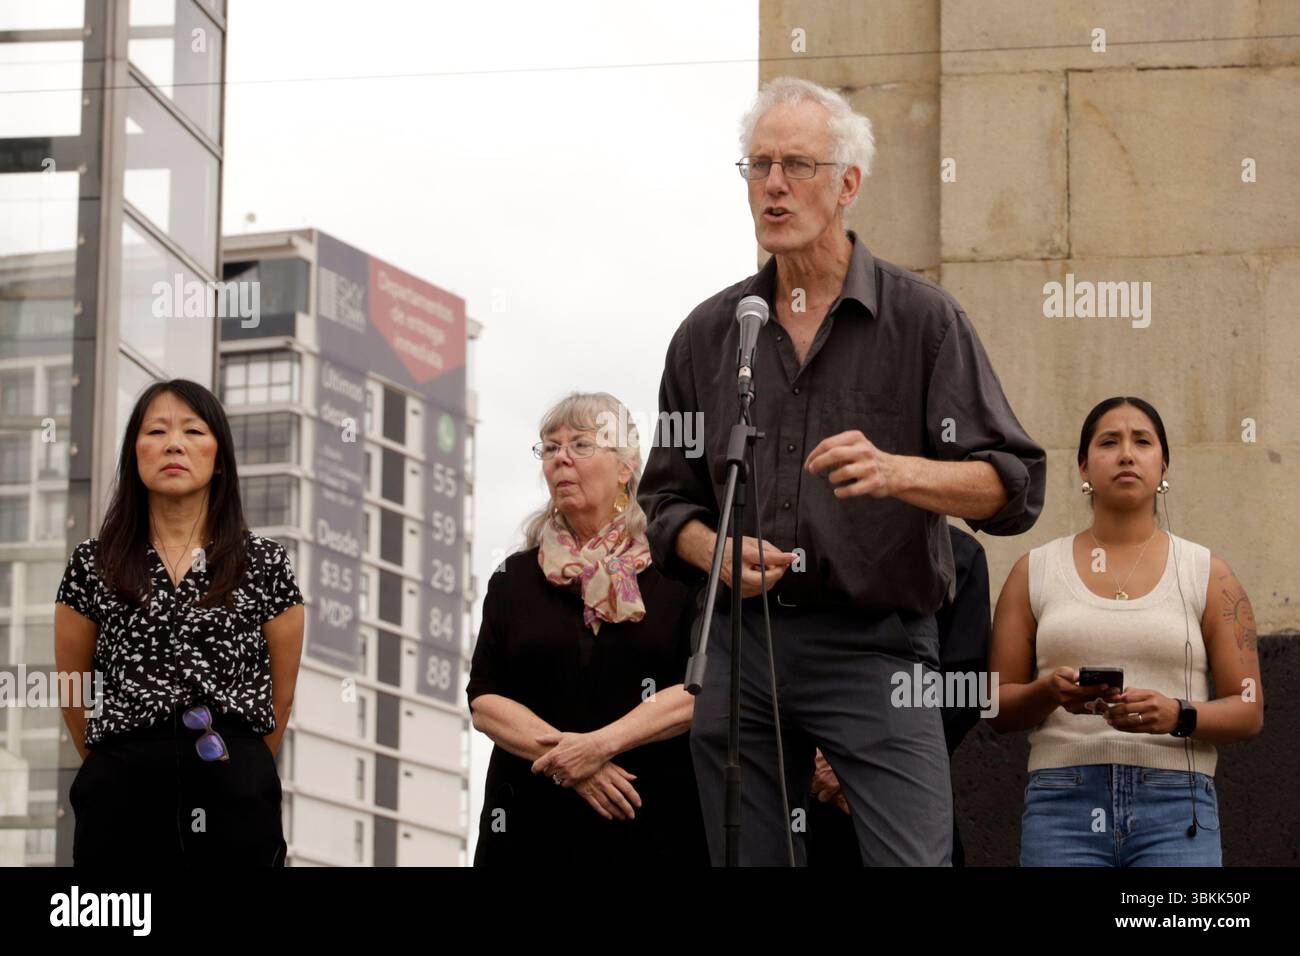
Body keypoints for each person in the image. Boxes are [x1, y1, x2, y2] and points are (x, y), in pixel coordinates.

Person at [638, 76, 1046, 866]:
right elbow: (663, 501)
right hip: (737, 647)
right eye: (757, 166)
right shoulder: (709, 334)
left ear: (848, 184)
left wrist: (901, 473)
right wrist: (711, 552)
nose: (774, 185)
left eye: (796, 164)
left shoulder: (924, 321)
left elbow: (1012, 485)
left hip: (877, 648)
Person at [989, 397, 1263, 866]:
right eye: (1108, 442)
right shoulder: (1034, 571)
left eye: (1142, 441)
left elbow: (1249, 708)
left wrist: (1178, 714)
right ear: (1083, 469)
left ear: (1163, 467)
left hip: (1177, 803)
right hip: (1063, 801)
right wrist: (1049, 692)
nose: (1126, 454)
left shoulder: (1207, 572)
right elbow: (995, 705)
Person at [54, 379, 304, 866]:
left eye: (193, 430)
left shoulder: (265, 563)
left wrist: (232, 761)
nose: (174, 444)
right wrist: (129, 756)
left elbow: (282, 695)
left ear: (219, 456)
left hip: (234, 786)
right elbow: (72, 690)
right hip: (122, 792)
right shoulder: (93, 563)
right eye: (156, 431)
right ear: (134, 452)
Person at [468, 392, 707, 865]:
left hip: (650, 817)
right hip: (529, 822)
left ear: (625, 467)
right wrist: (573, 765)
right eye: (550, 447)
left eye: (580, 444)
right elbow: (486, 700)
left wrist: (600, 746)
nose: (561, 459)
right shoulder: (514, 577)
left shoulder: (677, 571)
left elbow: (700, 689)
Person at [805, 525, 991, 867]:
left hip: (911, 789)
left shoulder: (961, 555)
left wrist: (859, 752)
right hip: (812, 797)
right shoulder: (801, 552)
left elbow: (965, 689)